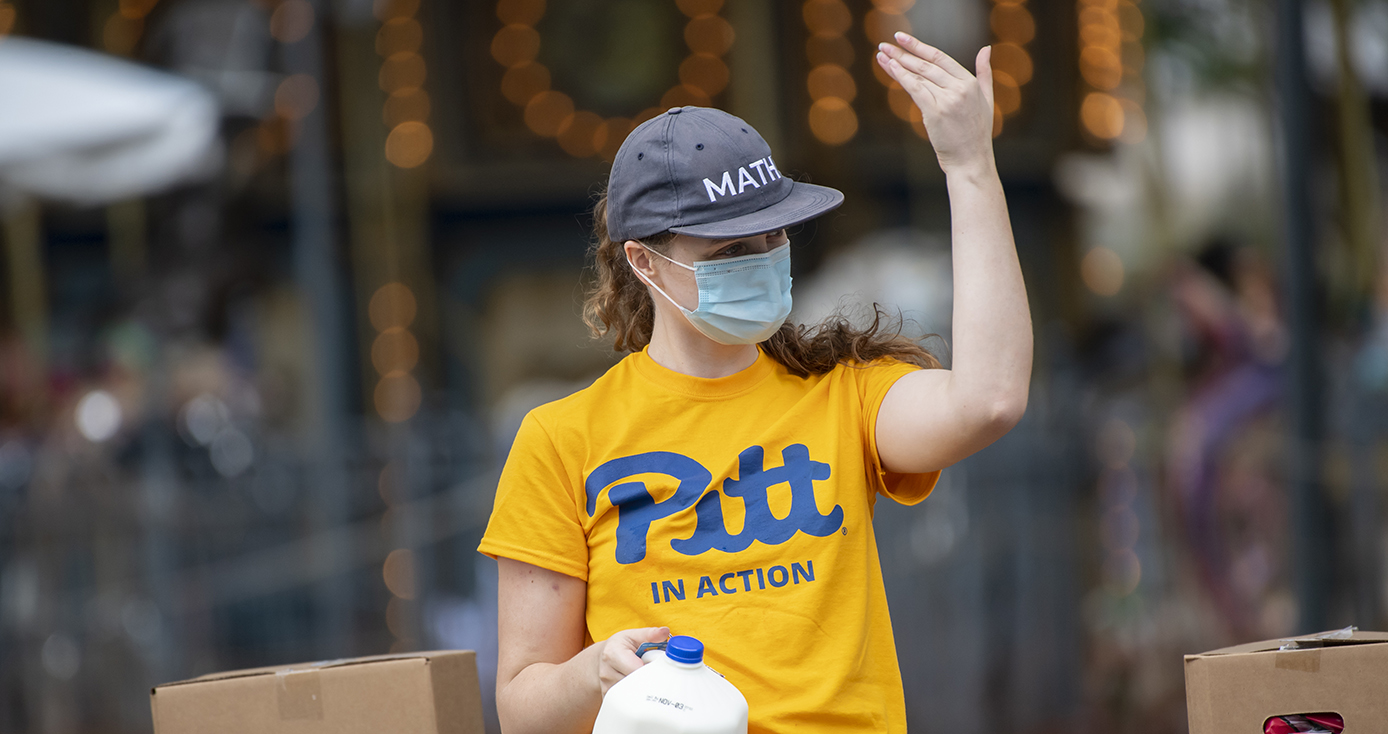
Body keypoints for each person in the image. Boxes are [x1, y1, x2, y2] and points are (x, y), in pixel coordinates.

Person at [479, 32, 1032, 734]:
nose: (765, 259)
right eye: (732, 249)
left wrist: (970, 166)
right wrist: (596, 671)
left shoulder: (845, 393)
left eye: (774, 235)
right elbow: (521, 708)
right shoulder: (559, 440)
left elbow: (989, 399)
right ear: (645, 264)